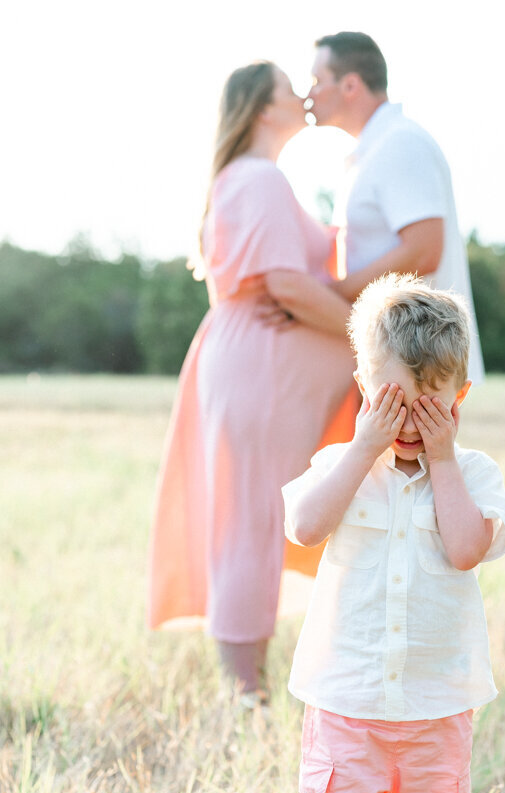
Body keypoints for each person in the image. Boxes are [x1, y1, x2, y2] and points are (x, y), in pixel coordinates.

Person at [281, 275, 505, 793]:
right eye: (392, 399)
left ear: (461, 398)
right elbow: (304, 528)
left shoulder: (473, 474)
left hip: (434, 707)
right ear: (363, 387)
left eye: (430, 403)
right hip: (348, 701)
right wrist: (362, 446)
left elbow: (467, 547)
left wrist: (443, 462)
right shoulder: (342, 468)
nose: (410, 420)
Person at [147, 62, 358, 699]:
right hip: (259, 365)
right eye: (288, 87)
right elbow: (286, 285)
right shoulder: (259, 178)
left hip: (254, 362)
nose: (301, 93)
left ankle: (247, 684)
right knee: (253, 518)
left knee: (254, 515)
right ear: (263, 108)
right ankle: (244, 691)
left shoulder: (251, 179)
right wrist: (376, 337)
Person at [308, 31, 485, 384]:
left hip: (422, 370)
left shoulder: (400, 144)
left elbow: (423, 252)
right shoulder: (372, 152)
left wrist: (330, 295)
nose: (308, 94)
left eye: (316, 81)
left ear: (350, 85)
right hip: (398, 363)